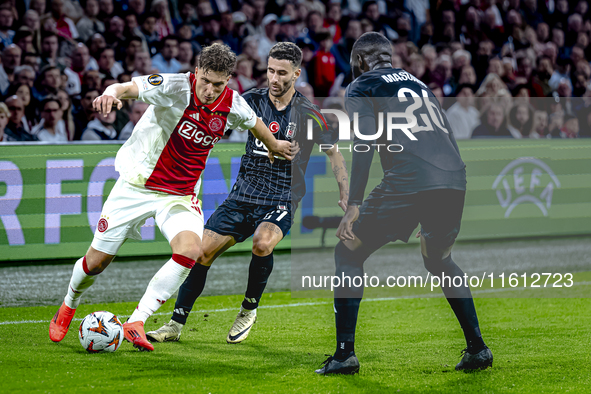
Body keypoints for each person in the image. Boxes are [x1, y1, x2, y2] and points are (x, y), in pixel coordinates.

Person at [48, 43, 294, 352]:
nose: (209, 89)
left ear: (228, 80)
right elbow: (128, 86)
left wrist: (272, 145)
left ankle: (137, 320)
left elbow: (254, 123)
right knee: (96, 263)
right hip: (135, 187)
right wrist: (111, 92)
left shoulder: (232, 103)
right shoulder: (174, 86)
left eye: (217, 84)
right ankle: (69, 303)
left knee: (191, 250)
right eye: (205, 80)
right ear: (196, 72)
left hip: (178, 195)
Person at [147, 42, 349, 345]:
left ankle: (248, 309)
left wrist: (346, 194)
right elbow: (211, 122)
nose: (274, 78)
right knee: (200, 253)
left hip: (281, 196)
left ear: (296, 74)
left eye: (282, 73)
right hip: (242, 195)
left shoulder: (309, 113)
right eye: (270, 71)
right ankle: (175, 324)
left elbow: (335, 156)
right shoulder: (248, 101)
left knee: (262, 243)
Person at [315, 33, 492, 375]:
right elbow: (448, 135)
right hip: (453, 178)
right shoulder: (421, 85)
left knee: (348, 252)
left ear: (362, 62)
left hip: (410, 179)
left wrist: (354, 204)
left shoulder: (362, 86)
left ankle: (344, 355)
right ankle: (477, 349)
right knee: (440, 261)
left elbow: (364, 143)